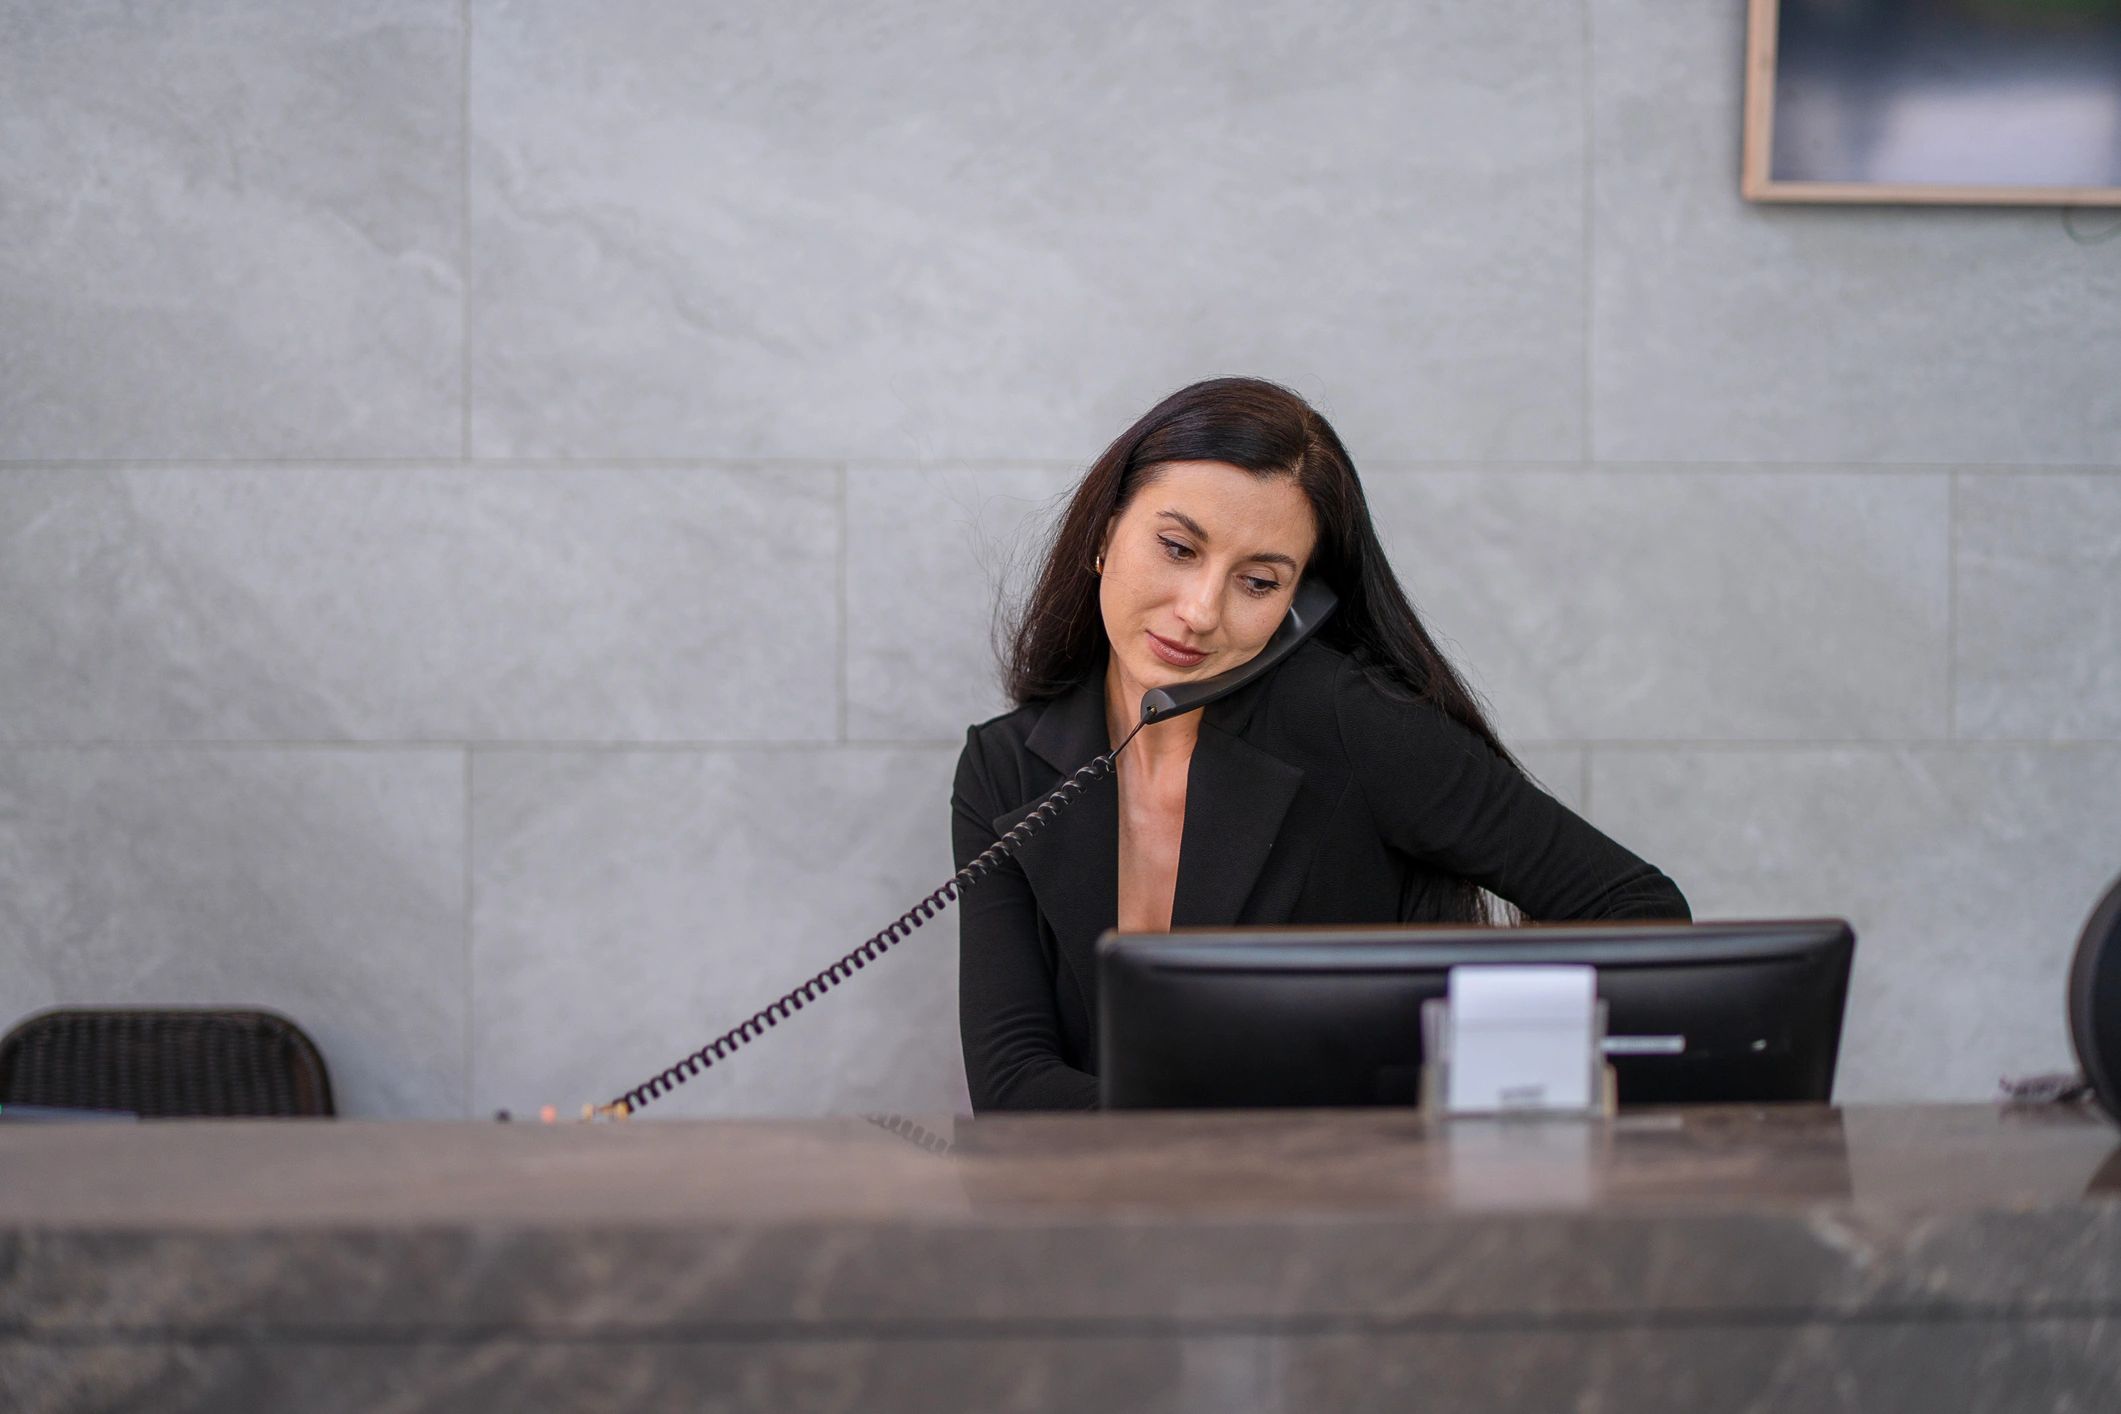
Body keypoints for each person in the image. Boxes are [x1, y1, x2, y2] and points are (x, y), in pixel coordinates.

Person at [951, 377, 1690, 1112]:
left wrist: (1472, 1079)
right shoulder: (1006, 768)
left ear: (1300, 604)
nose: (1200, 612)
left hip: (1343, 1202)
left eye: (1259, 581)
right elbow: (1013, 1083)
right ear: (1103, 536)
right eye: (1177, 547)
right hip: (1111, 1212)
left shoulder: (1348, 718)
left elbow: (1635, 908)